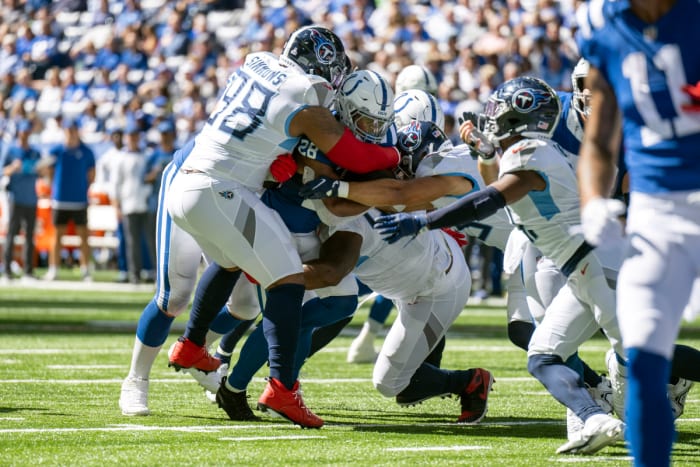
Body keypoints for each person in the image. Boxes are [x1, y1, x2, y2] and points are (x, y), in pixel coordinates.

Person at [373, 77, 626, 455]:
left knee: (640, 360)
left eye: (502, 114)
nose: (492, 120)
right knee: (541, 351)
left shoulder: (530, 154)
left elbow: (487, 200)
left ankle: (597, 405)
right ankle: (590, 415)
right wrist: (487, 154)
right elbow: (496, 183)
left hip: (582, 257)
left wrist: (423, 220)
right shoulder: (533, 150)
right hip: (577, 259)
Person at [165, 25, 399, 429]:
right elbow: (357, 158)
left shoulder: (257, 61)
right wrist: (398, 154)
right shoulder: (307, 93)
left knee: (230, 263)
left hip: (187, 183)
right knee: (287, 280)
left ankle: (191, 344)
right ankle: (282, 388)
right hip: (221, 191)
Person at [576, 1, 700, 465]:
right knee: (644, 360)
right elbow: (599, 137)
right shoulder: (602, 24)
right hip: (654, 211)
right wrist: (593, 202)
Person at [44, 118, 96, 282]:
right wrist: (56, 189)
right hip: (60, 200)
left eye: (73, 130)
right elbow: (48, 171)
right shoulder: (56, 150)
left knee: (83, 237)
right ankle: (53, 269)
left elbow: (91, 174)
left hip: (79, 200)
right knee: (57, 236)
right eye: (68, 130)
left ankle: (85, 270)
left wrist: (81, 188)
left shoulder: (87, 151)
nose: (71, 133)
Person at [109, 121, 155, 285]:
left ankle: (153, 272)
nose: (133, 139)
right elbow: (115, 184)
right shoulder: (120, 158)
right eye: (131, 135)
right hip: (128, 203)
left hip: (146, 202)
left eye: (136, 135)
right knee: (132, 241)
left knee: (150, 240)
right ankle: (134, 273)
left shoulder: (147, 155)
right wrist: (116, 205)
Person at [2, 119, 41, 281]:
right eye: (22, 132)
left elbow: (40, 173)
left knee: (30, 236)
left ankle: (28, 271)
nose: (24, 135)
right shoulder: (11, 151)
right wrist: (13, 168)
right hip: (15, 198)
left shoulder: (35, 152)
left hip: (31, 198)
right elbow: (3, 172)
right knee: (11, 234)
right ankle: (7, 271)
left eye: (27, 132)